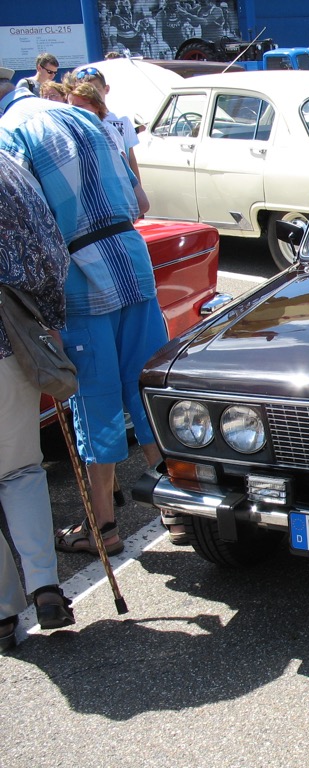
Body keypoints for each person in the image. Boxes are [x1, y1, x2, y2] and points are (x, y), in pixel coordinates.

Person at [0, 78, 170, 553]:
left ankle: (104, 528)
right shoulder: (82, 118)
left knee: (94, 402)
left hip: (80, 277)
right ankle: (176, 508)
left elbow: (23, 225)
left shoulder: (10, 134)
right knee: (145, 389)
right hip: (132, 263)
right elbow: (140, 203)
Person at [0, 129, 77, 654]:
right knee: (19, 470)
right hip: (5, 342)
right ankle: (45, 586)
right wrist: (47, 316)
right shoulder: (7, 169)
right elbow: (47, 253)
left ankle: (4, 612)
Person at [69, 66, 142, 181]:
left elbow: (130, 157)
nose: (91, 95)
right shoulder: (73, 122)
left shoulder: (121, 120)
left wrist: (137, 189)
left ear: (106, 89)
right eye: (84, 91)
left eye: (95, 89)